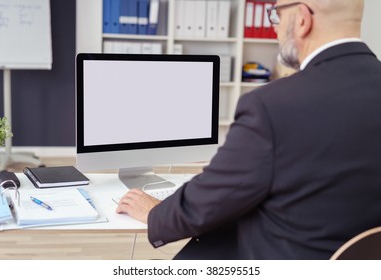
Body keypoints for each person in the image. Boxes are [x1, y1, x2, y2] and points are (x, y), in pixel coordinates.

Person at [116, 0, 381, 259]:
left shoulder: (273, 105)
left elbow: (210, 200)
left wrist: (154, 213)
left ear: (302, 19)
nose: (275, 29)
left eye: (276, 16)